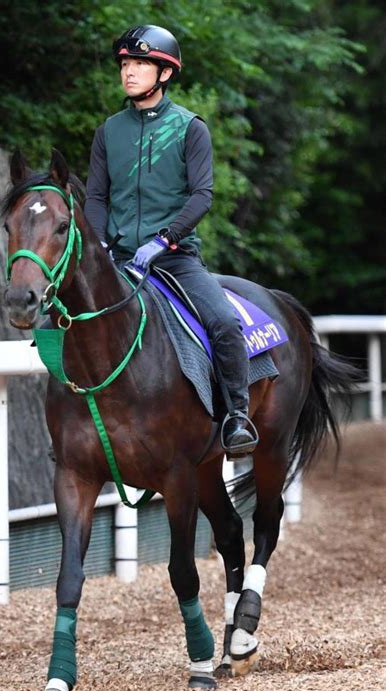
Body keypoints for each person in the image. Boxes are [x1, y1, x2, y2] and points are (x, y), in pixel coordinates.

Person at [84, 24, 257, 456]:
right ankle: (74, 421)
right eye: (125, 63)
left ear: (164, 74)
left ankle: (237, 416)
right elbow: (96, 196)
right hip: (120, 258)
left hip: (174, 259)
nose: (129, 72)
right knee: (66, 322)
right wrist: (100, 245)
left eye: (140, 63)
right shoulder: (108, 131)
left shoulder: (189, 128)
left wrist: (164, 239)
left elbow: (203, 196)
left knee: (224, 322)